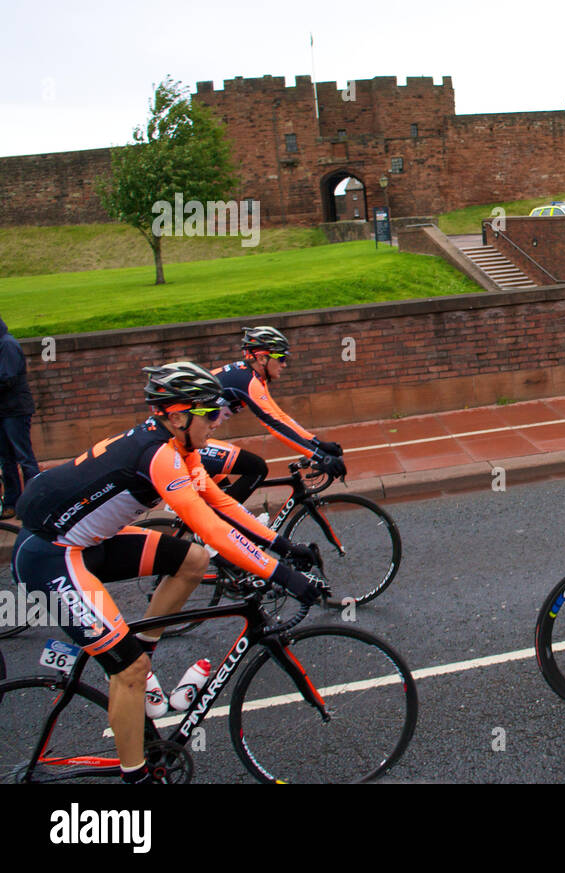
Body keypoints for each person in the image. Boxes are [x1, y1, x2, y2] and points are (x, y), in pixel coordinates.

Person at [12, 362, 326, 783]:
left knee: (192, 560)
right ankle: (136, 775)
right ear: (177, 417)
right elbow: (210, 527)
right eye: (209, 414)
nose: (217, 422)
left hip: (88, 544)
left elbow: (222, 505)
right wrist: (283, 576)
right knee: (129, 672)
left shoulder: (180, 447)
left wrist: (284, 547)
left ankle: (141, 649)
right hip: (51, 556)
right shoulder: (160, 455)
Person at [202, 326, 346, 504]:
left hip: (192, 442)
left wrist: (317, 443)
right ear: (262, 358)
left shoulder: (252, 377)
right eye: (281, 358)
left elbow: (280, 417)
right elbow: (275, 426)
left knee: (222, 493)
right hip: (181, 445)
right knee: (257, 468)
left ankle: (217, 526)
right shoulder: (248, 381)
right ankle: (221, 525)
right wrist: (318, 456)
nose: (284, 364)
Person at [0, 315, 39, 520]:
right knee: (6, 460)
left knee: (24, 457)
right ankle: (11, 503)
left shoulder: (7, 345)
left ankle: (33, 501)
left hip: (15, 410)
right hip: (4, 410)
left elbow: (8, 378)